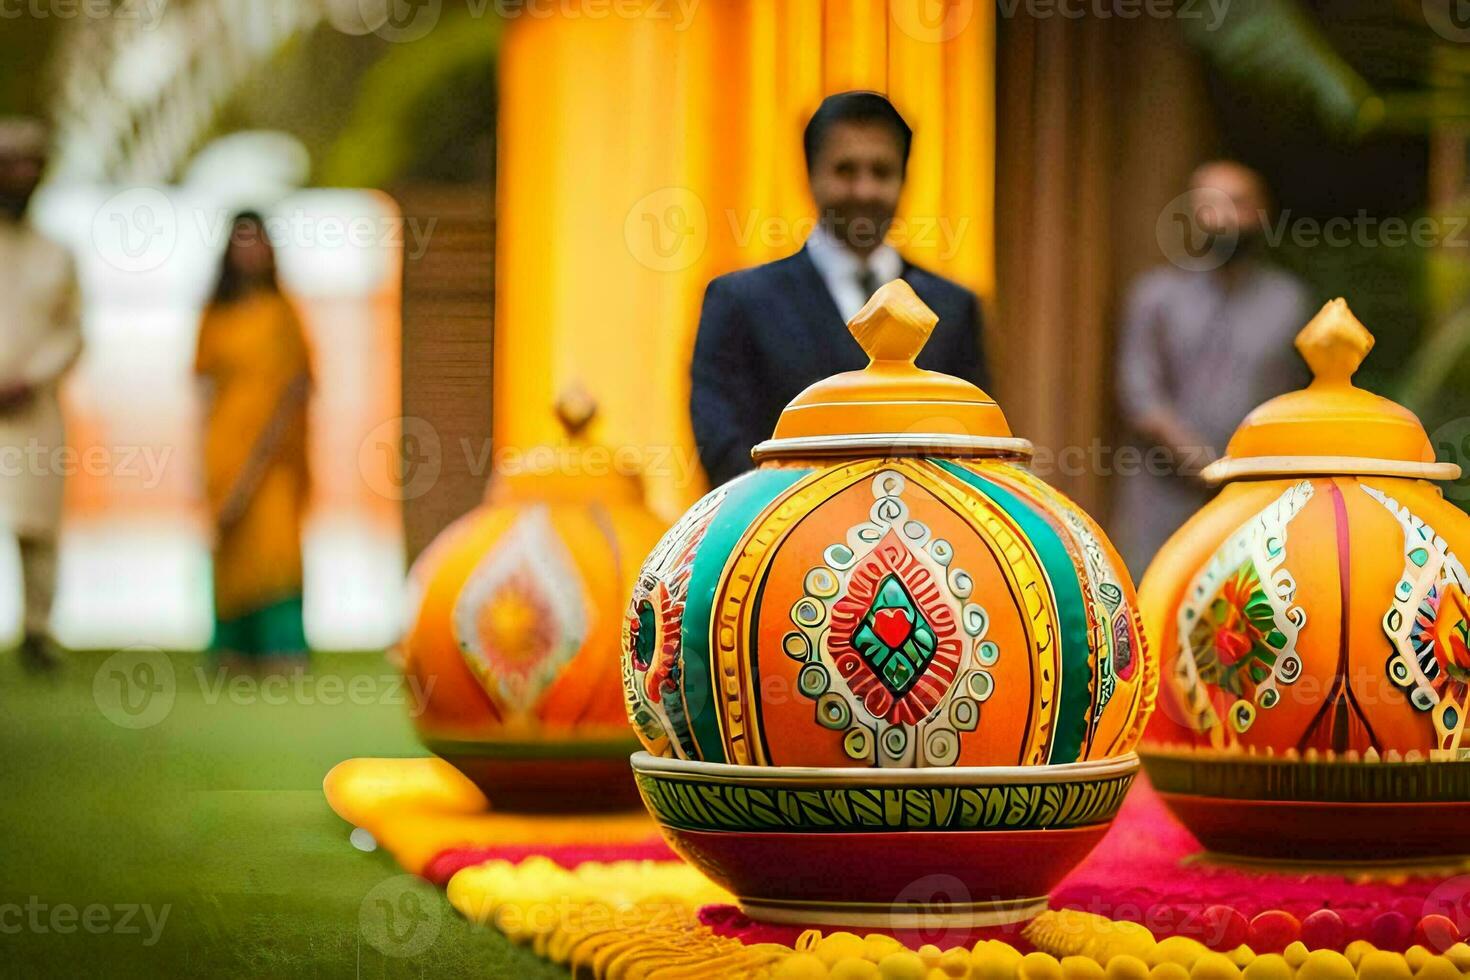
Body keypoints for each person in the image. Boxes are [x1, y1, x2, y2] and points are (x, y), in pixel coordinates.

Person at [690, 91, 990, 486]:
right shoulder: (739, 302)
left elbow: (976, 449)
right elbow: (724, 451)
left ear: (904, 178)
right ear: (811, 175)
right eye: (845, 170)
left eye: (881, 172)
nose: (864, 191)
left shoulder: (954, 308)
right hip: (783, 536)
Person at [1113, 160, 1312, 575]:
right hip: (1163, 506)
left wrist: (1246, 476)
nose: (1221, 217)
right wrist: (1210, 469)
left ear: (1261, 213)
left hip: (1261, 505)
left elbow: (1302, 402)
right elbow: (1141, 397)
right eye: (1208, 204)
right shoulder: (1155, 297)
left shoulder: (1289, 303)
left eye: (1236, 203)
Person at [195, 212, 313, 669]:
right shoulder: (214, 315)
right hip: (224, 449)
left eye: (258, 242)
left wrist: (266, 448)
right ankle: (232, 651)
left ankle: (283, 650)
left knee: (276, 547)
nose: (251, 252)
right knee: (232, 545)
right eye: (242, 242)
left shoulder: (282, 314)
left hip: (276, 456)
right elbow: (202, 387)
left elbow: (299, 385)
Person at [0, 118, 81, 670]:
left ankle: (38, 631)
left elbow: (74, 331)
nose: (20, 175)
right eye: (11, 165)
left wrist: (30, 377)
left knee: (36, 525)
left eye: (31, 164)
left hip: (32, 405)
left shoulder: (57, 252)